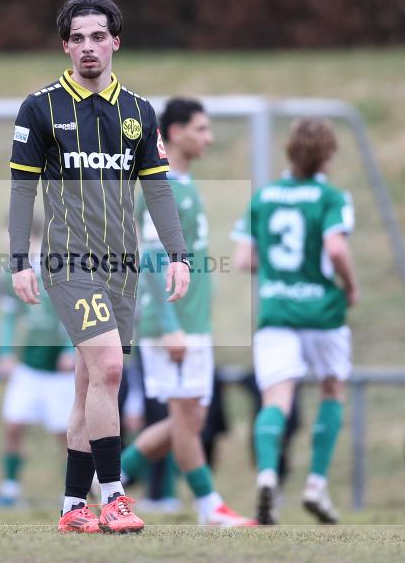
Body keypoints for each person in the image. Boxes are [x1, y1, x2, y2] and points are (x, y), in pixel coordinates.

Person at [6, 0, 191, 534]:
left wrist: (178, 254)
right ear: (66, 46)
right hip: (69, 262)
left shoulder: (138, 112)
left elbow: (158, 191)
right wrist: (21, 260)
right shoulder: (39, 108)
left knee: (92, 383)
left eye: (98, 36)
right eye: (78, 38)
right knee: (110, 368)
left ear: (115, 41)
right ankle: (113, 496)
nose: (88, 47)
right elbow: (22, 191)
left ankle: (71, 508)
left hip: (123, 267)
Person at [120, 97, 254, 526]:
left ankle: (112, 480)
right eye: (201, 129)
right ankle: (209, 505)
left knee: (189, 417)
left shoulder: (183, 183)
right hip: (172, 324)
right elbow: (153, 263)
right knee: (186, 417)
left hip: (192, 321)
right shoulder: (162, 189)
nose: (208, 138)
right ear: (174, 133)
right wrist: (171, 325)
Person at [233, 118, 359, 525]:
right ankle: (316, 485)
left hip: (277, 313)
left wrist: (277, 277)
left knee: (276, 400)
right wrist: (350, 286)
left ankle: (268, 475)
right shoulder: (332, 197)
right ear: (328, 155)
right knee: (331, 389)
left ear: (289, 152)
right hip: (323, 312)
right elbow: (336, 248)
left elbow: (243, 260)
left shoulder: (264, 197)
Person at [0, 219, 76, 506]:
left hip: (57, 372)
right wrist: (4, 352)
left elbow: (72, 312)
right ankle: (9, 488)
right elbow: (8, 317)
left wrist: (70, 348)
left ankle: (73, 491)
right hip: (28, 367)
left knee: (65, 435)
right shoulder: (13, 273)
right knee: (13, 424)